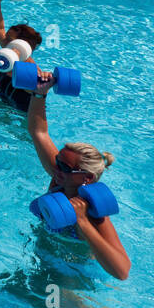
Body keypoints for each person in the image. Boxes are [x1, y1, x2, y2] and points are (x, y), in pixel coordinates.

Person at [26, 79, 131, 280]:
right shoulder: (60, 179)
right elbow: (39, 132)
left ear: (87, 177)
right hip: (44, 265)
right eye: (58, 160)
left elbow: (122, 271)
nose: (56, 167)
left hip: (73, 279)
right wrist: (40, 94)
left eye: (64, 166)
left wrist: (81, 221)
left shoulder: (94, 214)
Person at [0, 0, 43, 111]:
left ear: (21, 45)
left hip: (20, 112)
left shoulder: (29, 68)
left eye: (8, 39)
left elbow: (37, 93)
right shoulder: (8, 50)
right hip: (2, 101)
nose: (3, 41)